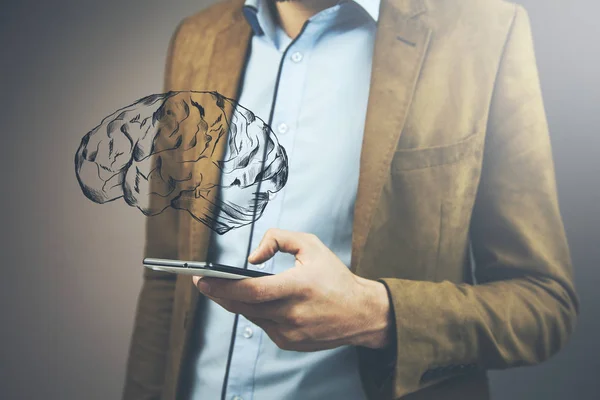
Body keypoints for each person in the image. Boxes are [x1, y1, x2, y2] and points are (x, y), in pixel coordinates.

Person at [123, 0, 579, 399]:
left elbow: (544, 304)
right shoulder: (197, 37)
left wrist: (379, 313)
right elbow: (166, 278)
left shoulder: (486, 33)